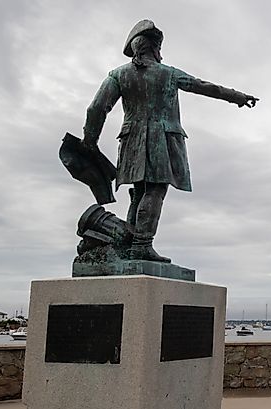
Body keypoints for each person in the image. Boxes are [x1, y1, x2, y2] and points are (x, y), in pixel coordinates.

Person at [83, 19, 258, 262]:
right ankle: (142, 244)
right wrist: (237, 97)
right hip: (161, 140)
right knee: (155, 189)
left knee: (141, 190)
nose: (161, 54)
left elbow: (96, 109)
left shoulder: (118, 75)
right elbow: (205, 87)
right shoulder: (169, 74)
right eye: (159, 49)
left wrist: (89, 141)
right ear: (154, 49)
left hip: (131, 140)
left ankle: (131, 243)